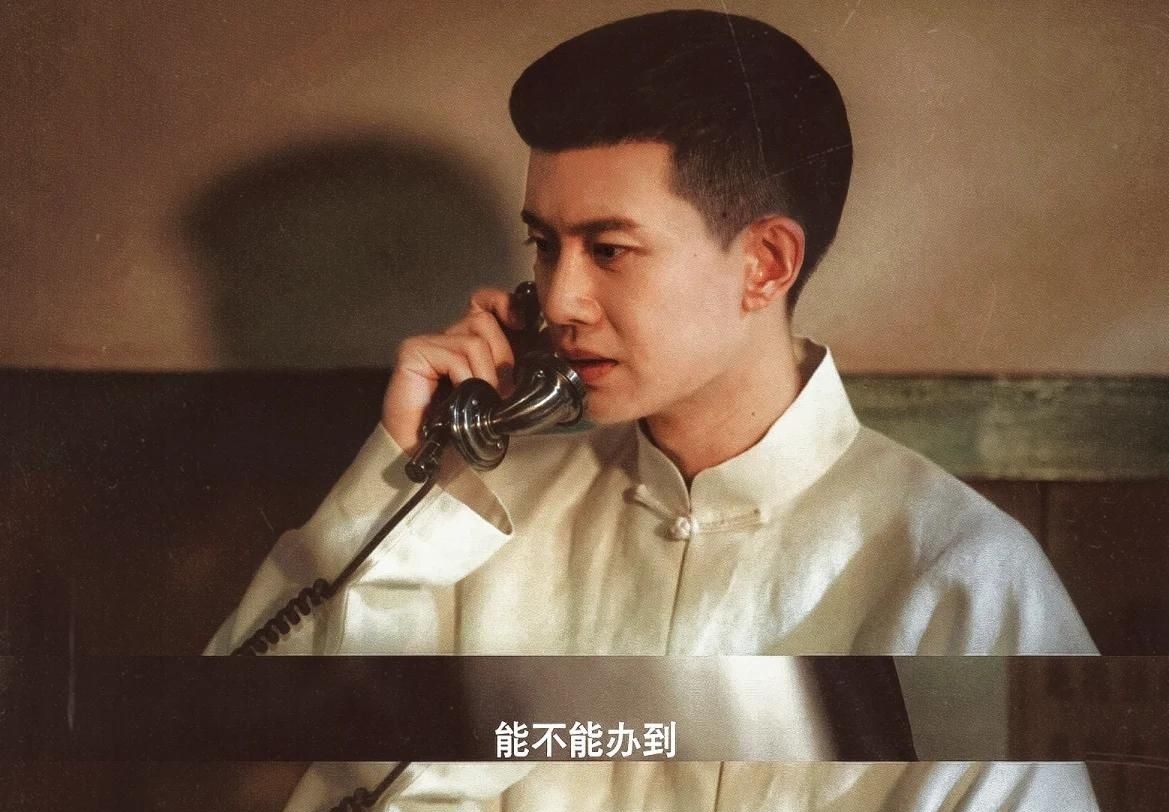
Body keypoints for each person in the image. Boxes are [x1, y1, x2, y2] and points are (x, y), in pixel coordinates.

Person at [207, 10, 1094, 656]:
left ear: (765, 264)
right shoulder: (479, 511)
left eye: (609, 249)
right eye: (544, 246)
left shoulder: (959, 576)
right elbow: (248, 748)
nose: (560, 300)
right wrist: (402, 470)